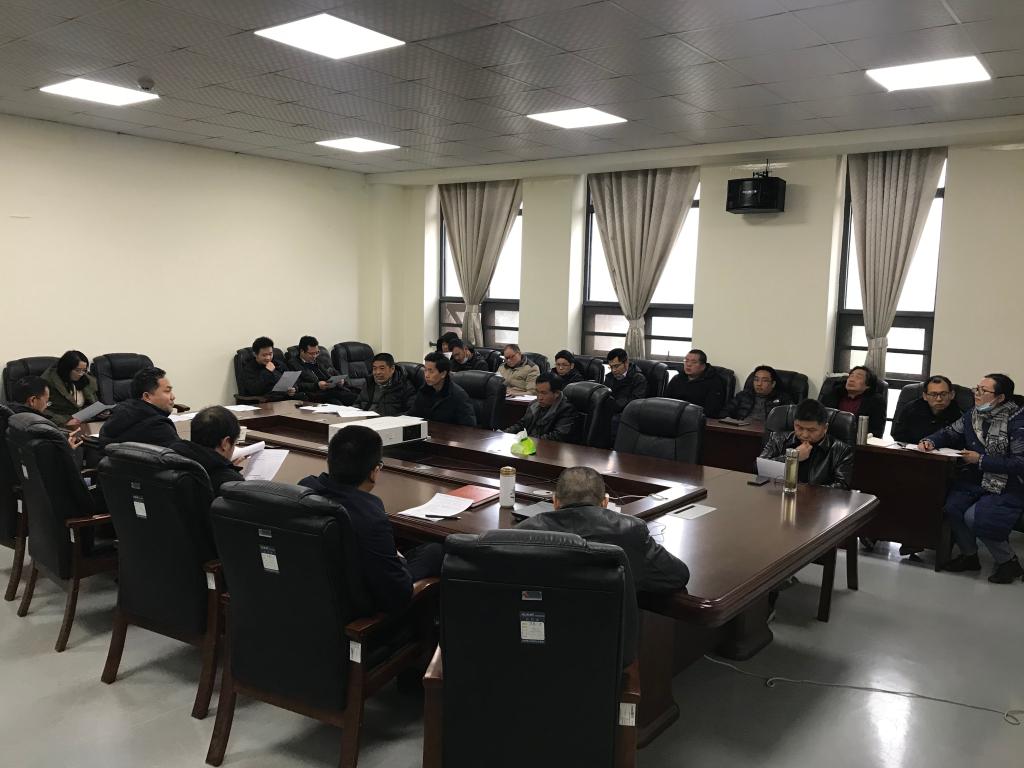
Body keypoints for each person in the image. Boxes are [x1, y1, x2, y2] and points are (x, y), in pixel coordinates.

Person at [299, 425, 443, 614]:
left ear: (329, 461)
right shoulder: (370, 517)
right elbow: (397, 594)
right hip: (361, 617)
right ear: (374, 472)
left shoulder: (304, 490)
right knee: (436, 551)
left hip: (314, 600)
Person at [516, 466, 689, 591]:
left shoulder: (525, 533)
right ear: (605, 503)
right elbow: (678, 576)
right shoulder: (631, 531)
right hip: (608, 629)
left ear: (555, 502)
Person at [921, 374, 1024, 584]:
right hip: (975, 478)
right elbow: (949, 433)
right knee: (952, 508)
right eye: (976, 389)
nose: (976, 394)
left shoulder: (1018, 422)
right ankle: (969, 556)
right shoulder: (973, 415)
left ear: (1001, 397)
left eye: (983, 391)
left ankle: (1008, 561)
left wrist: (981, 460)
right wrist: (930, 441)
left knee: (976, 517)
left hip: (1008, 483)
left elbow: (1020, 463)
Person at [759, 398, 853, 489]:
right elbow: (758, 467)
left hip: (817, 499)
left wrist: (806, 491)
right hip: (779, 494)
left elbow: (842, 486)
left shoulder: (841, 450)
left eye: (811, 430)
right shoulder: (778, 439)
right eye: (799, 428)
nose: (805, 435)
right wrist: (793, 458)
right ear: (794, 423)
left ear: (825, 428)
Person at [170, 405, 244, 495]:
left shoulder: (172, 457)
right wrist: (232, 473)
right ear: (226, 443)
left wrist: (226, 467)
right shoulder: (230, 483)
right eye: (235, 443)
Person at [99, 366, 178, 447]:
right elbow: (180, 454)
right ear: (147, 396)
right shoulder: (158, 426)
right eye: (167, 391)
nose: (173, 397)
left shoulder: (115, 417)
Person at [7, 375, 83, 450]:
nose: (46, 406)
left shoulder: (8, 413)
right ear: (32, 400)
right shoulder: (39, 426)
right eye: (46, 401)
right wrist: (68, 448)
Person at [504, 373, 578, 442]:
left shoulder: (566, 410)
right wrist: (503, 434)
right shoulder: (534, 404)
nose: (539, 397)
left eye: (543, 393)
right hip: (530, 444)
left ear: (556, 393)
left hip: (548, 448)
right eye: (537, 392)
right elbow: (522, 425)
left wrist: (529, 441)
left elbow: (557, 436)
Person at [408, 353, 477, 426]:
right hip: (428, 431)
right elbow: (412, 415)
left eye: (431, 371)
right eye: (425, 370)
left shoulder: (458, 396)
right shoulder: (424, 391)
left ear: (443, 374)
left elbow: (468, 426)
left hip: (449, 433)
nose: (426, 375)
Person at [891, 375, 963, 444]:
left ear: (952, 395)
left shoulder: (960, 413)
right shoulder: (911, 409)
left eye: (943, 394)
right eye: (933, 394)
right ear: (925, 396)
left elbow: (960, 442)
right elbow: (898, 436)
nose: (939, 399)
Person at [820, 365, 886, 438]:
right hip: (829, 438)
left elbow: (877, 431)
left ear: (868, 385)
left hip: (858, 442)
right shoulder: (832, 395)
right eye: (851, 376)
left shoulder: (876, 401)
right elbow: (818, 419)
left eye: (858, 377)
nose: (851, 380)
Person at [287, 336, 356, 406]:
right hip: (317, 394)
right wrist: (316, 385)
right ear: (302, 351)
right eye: (311, 353)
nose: (314, 356)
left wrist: (341, 380)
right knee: (340, 403)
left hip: (334, 390)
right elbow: (297, 385)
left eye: (317, 352)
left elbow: (334, 372)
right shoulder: (293, 364)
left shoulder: (321, 359)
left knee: (357, 398)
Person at [42, 350, 99, 428]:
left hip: (84, 421)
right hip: (61, 424)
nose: (81, 374)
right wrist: (64, 421)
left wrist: (100, 413)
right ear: (66, 368)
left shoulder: (86, 379)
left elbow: (92, 402)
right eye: (77, 370)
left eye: (84, 370)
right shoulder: (48, 381)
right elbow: (40, 409)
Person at [664, 349, 726, 417]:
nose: (688, 364)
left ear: (703, 366)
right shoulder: (677, 378)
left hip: (698, 418)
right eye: (686, 361)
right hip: (674, 416)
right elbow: (666, 402)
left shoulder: (715, 382)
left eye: (694, 362)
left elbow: (711, 411)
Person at [725, 365, 793, 423]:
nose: (759, 384)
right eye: (756, 380)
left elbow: (791, 419)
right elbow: (725, 411)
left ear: (773, 384)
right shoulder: (743, 395)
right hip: (742, 429)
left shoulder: (783, 399)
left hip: (766, 432)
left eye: (764, 380)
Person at [603, 348, 646, 416]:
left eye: (616, 366)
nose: (613, 370)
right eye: (611, 367)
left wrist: (613, 405)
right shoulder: (609, 377)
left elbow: (635, 404)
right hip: (611, 411)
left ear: (626, 363)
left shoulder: (638, 379)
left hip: (627, 415)